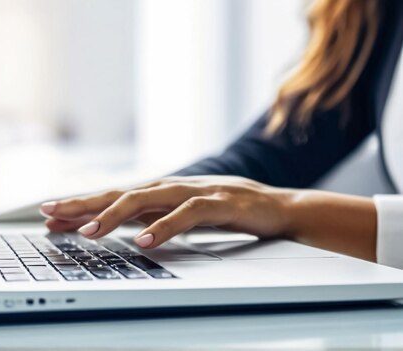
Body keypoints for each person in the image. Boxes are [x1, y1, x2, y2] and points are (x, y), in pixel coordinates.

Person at [39, 0, 403, 268]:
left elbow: (269, 189)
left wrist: (288, 210)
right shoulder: (369, 10)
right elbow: (274, 154)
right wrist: (135, 201)